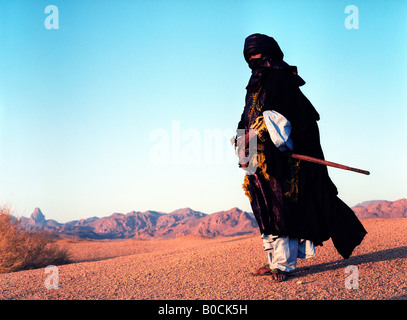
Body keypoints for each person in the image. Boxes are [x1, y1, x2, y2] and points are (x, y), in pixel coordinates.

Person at [234, 33, 367, 282]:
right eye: (248, 54)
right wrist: (242, 146)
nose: (253, 57)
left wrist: (276, 142)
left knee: (281, 208)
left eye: (257, 52)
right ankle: (274, 260)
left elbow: (291, 118)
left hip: (282, 157)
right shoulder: (253, 84)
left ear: (270, 51)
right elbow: (246, 117)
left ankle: (284, 265)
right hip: (256, 158)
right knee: (263, 208)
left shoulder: (281, 78)